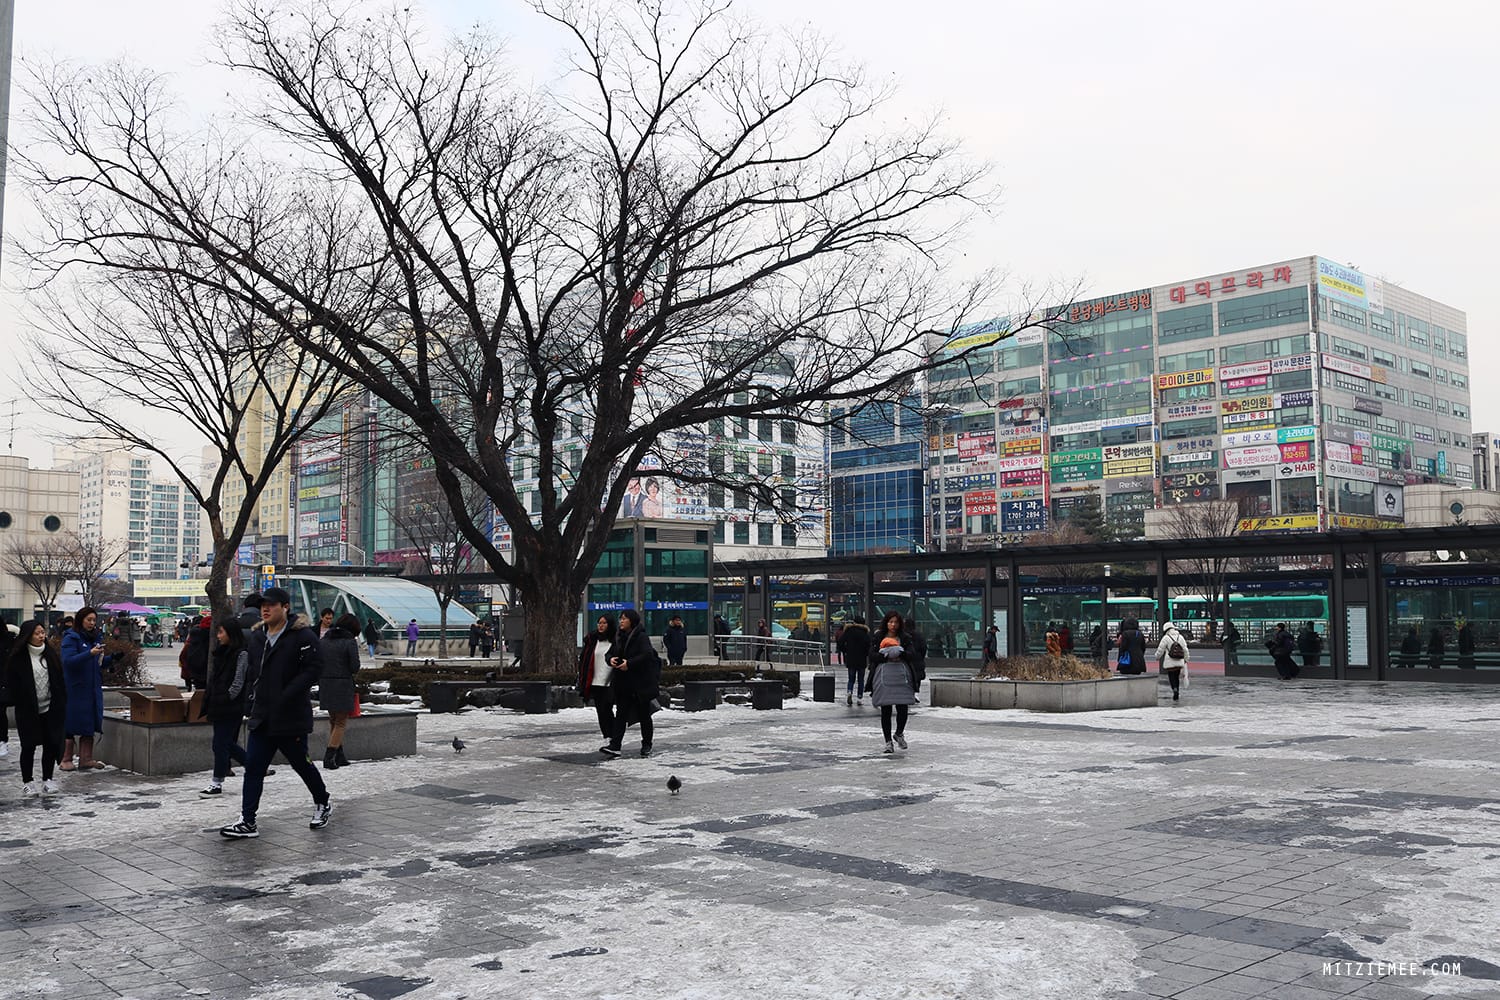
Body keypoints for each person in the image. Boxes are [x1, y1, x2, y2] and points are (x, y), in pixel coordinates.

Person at [220, 587, 332, 839]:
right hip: (262, 716)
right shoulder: (258, 637)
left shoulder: (302, 636)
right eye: (263, 605)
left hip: (290, 716)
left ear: (285, 607)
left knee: (301, 764)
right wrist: (249, 703)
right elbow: (252, 673)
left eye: (271, 605)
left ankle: (322, 801)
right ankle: (248, 821)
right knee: (253, 768)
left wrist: (286, 694)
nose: (265, 609)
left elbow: (313, 670)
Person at [5, 620, 67, 796]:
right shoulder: (18, 658)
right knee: (28, 746)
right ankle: (28, 781)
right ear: (28, 636)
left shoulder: (50, 654)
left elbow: (59, 680)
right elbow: (12, 684)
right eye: (37, 633)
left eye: (42, 632)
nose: (41, 636)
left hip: (50, 708)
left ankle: (48, 779)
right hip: (28, 710)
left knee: (51, 744)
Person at [200, 619, 251, 798]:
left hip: (230, 706)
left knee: (220, 744)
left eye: (221, 632)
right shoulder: (220, 653)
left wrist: (226, 698)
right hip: (218, 704)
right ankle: (254, 765)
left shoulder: (241, 654)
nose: (218, 636)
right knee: (225, 743)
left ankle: (217, 782)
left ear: (231, 633)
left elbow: (238, 682)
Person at [600, 609, 661, 759]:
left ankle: (646, 744)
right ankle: (615, 745)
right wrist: (610, 659)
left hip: (639, 684)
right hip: (623, 683)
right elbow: (609, 653)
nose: (621, 621)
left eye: (624, 619)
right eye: (620, 618)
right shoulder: (619, 637)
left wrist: (629, 663)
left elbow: (647, 655)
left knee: (644, 715)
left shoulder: (641, 637)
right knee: (621, 715)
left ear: (632, 621)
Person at [60, 608, 112, 771]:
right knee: (71, 723)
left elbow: (97, 663)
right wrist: (89, 653)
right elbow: (68, 661)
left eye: (94, 620)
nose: (92, 623)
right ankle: (66, 758)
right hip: (75, 689)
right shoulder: (71, 637)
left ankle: (86, 759)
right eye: (89, 620)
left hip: (92, 688)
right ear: (80, 620)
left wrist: (112, 659)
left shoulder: (95, 637)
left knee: (90, 723)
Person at [865, 611, 918, 753]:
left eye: (896, 622)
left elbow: (912, 654)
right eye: (890, 622)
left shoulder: (905, 638)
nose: (893, 625)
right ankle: (888, 741)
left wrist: (901, 653)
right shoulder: (878, 637)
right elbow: (871, 655)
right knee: (886, 709)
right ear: (886, 623)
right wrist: (885, 655)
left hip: (901, 676)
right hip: (884, 676)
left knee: (903, 707)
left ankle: (899, 733)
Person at [319, 613, 362, 770]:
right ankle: (329, 757)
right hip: (343, 684)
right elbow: (354, 667)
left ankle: (339, 755)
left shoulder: (324, 640)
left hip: (325, 683)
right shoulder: (349, 642)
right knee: (341, 722)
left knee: (333, 720)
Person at [577, 615, 617, 742]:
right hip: (595, 680)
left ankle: (614, 736)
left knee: (607, 708)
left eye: (604, 623)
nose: (601, 625)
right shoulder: (593, 640)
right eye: (599, 623)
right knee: (601, 711)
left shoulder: (616, 640)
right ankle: (608, 735)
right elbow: (585, 659)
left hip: (611, 681)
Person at [836, 615, 871, 706]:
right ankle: (859, 698)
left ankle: (849, 691)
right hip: (861, 659)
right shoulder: (865, 633)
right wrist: (866, 654)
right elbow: (869, 646)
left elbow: (840, 642)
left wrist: (846, 650)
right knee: (861, 680)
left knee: (851, 679)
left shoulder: (848, 631)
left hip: (851, 658)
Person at [1155, 620, 1190, 703]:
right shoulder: (1180, 637)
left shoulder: (1166, 638)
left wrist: (1157, 657)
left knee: (1171, 677)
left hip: (1169, 662)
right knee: (1176, 677)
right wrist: (1186, 659)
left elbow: (1160, 649)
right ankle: (1177, 690)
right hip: (1179, 660)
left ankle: (1174, 689)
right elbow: (1185, 649)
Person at [179, 613, 211, 692]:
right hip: (202, 674)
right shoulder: (208, 639)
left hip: (193, 673)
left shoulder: (192, 638)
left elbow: (183, 656)